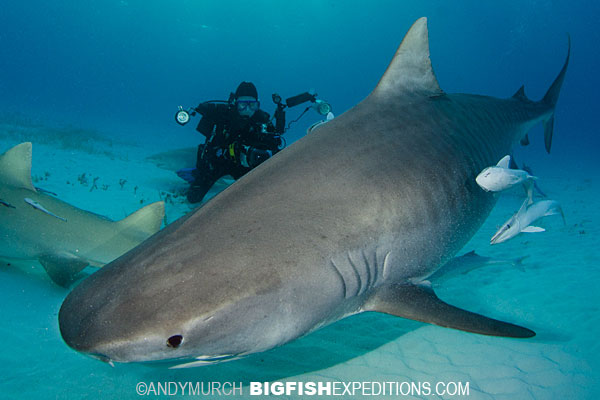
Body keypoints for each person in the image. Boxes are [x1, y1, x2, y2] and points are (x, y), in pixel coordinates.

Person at [186, 82, 283, 203]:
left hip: (243, 167)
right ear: (235, 103)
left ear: (257, 105)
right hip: (217, 163)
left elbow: (275, 147)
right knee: (193, 198)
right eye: (242, 105)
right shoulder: (223, 114)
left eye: (252, 105)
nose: (247, 110)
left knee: (256, 198)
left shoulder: (262, 120)